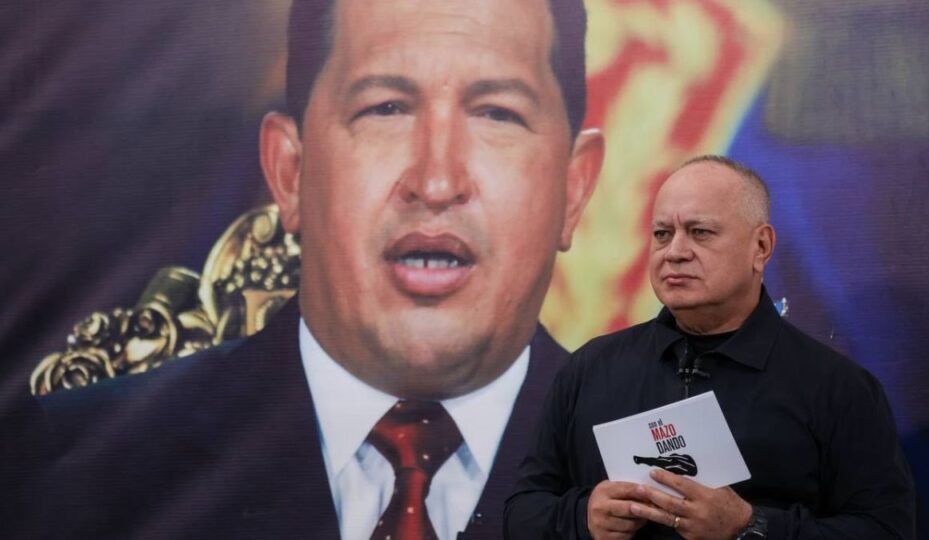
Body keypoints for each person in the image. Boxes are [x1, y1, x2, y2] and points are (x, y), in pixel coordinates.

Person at [31, 0, 604, 538]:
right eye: (386, 108)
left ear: (575, 188)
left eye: (498, 113)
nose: (436, 183)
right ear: (289, 172)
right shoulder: (69, 465)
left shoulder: (645, 469)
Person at [504, 155, 915, 539]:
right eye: (662, 234)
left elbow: (887, 529)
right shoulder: (590, 369)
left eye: (700, 232)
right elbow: (520, 513)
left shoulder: (837, 387)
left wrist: (749, 526)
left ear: (761, 247)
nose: (675, 252)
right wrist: (582, 517)